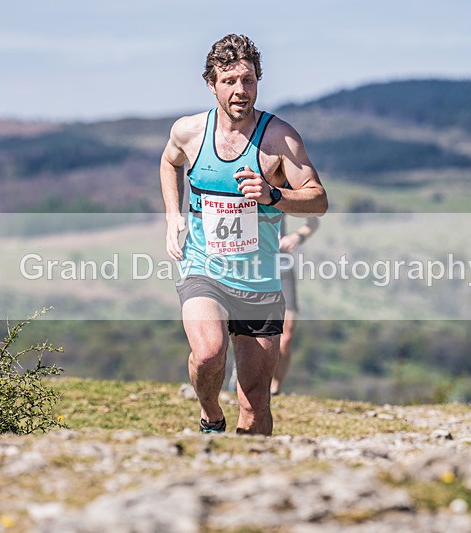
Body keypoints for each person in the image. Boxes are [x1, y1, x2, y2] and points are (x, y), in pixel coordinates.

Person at [159, 34, 327, 436]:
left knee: (254, 404)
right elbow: (169, 162)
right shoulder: (189, 131)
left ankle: (251, 468)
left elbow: (318, 200)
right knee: (208, 353)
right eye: (229, 81)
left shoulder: (280, 138)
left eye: (248, 80)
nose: (240, 90)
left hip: (260, 281)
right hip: (204, 269)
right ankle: (210, 415)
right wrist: (173, 215)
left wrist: (274, 195)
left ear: (258, 81)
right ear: (211, 84)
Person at [270, 216, 320, 396]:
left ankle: (275, 388)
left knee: (286, 337)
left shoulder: (283, 195)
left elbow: (313, 222)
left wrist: (297, 237)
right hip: (251, 266)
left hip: (282, 268)